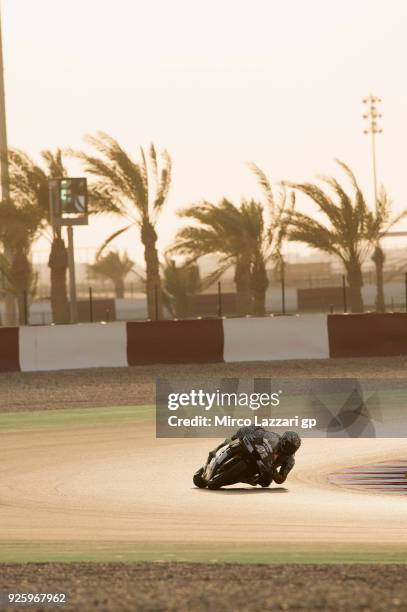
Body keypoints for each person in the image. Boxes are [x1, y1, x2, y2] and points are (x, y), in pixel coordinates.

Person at [193, 425, 301, 488]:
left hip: (264, 468)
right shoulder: (273, 437)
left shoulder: (290, 461)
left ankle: (245, 479)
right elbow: (260, 433)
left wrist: (272, 471)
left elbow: (281, 479)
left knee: (266, 482)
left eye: (290, 449)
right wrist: (249, 434)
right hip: (256, 453)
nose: (287, 450)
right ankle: (215, 452)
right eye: (286, 446)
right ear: (282, 441)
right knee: (236, 438)